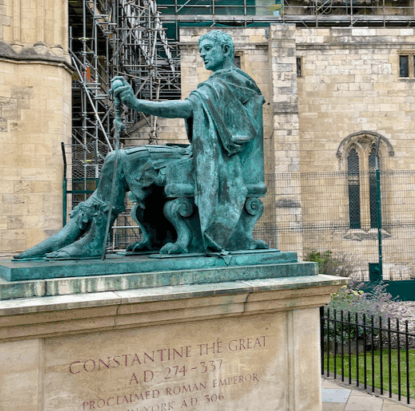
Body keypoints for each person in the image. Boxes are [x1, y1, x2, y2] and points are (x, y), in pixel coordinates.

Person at [15, 31, 266, 260]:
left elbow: (187, 107)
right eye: (201, 50)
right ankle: (96, 237)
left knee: (118, 158)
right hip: (200, 156)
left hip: (218, 164)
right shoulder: (217, 84)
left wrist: (137, 103)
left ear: (226, 50)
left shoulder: (233, 83)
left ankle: (94, 239)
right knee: (119, 158)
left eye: (208, 49)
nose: (202, 54)